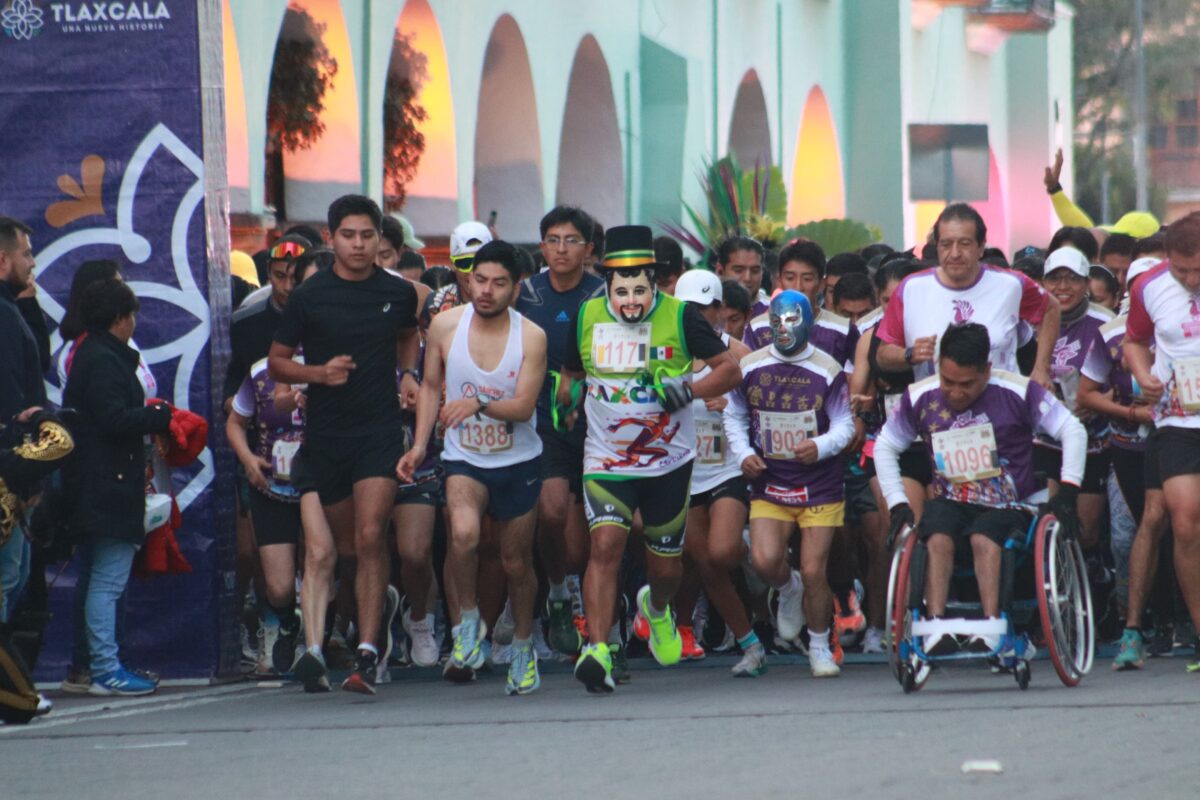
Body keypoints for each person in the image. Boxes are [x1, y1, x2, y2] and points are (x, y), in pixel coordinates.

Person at [558, 225, 740, 693]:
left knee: (665, 569)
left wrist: (690, 390)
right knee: (604, 548)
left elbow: (730, 370)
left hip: (668, 463)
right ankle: (598, 647)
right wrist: (566, 401)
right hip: (606, 459)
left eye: (641, 285)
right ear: (607, 283)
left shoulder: (681, 317)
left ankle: (655, 608)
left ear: (654, 281)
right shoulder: (587, 316)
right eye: (622, 287)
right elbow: (571, 373)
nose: (631, 298)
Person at [269, 195, 421, 695]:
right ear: (331, 238)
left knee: (373, 534)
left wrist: (405, 376)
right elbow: (277, 363)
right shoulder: (311, 296)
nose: (358, 245)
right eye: (349, 235)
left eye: (367, 235)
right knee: (351, 548)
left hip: (377, 431)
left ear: (381, 240)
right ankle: (376, 613)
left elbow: (406, 338)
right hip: (327, 435)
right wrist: (319, 374)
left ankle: (368, 651)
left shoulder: (398, 294)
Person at [874, 323, 1086, 655]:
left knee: (984, 535)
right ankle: (936, 626)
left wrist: (1069, 491)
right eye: (948, 382)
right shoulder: (920, 396)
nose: (956, 393)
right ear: (938, 367)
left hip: (1010, 505)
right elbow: (885, 445)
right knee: (936, 530)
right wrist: (897, 503)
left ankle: (991, 626)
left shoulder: (1019, 391)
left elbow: (1073, 430)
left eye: (967, 384)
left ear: (987, 371)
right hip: (951, 499)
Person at [398, 241, 547, 694]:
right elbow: (430, 388)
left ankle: (522, 647)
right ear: (468, 280)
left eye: (498, 283)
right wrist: (421, 445)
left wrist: (478, 403)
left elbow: (522, 408)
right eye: (479, 280)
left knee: (515, 561)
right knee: (462, 535)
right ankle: (466, 623)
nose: (486, 291)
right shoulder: (444, 326)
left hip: (518, 458)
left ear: (515, 289)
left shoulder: (532, 337)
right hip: (463, 456)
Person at [724, 290, 854, 677]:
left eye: (793, 320)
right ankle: (788, 588)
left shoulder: (828, 369)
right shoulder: (749, 366)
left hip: (819, 484)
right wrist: (743, 452)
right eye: (777, 321)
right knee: (764, 560)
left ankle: (818, 646)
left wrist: (820, 445)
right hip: (771, 480)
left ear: (809, 323)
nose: (784, 329)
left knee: (816, 569)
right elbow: (734, 414)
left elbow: (846, 423)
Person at [63, 279, 173, 696]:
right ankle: (105, 669)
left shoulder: (94, 355)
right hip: (108, 483)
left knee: (102, 579)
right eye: (132, 316)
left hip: (104, 481)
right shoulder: (102, 360)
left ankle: (103, 665)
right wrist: (158, 416)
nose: (133, 324)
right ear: (119, 318)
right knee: (107, 583)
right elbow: (111, 418)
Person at [515, 206, 604, 658]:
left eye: (572, 241)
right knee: (550, 513)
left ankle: (600, 617)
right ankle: (556, 593)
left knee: (585, 541)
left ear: (589, 249)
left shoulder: (605, 294)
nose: (562, 249)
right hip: (543, 422)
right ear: (541, 245)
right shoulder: (525, 294)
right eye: (553, 239)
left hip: (601, 424)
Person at [669, 269, 764, 676]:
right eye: (688, 309)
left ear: (721, 310)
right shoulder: (665, 350)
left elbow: (762, 409)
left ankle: (756, 557)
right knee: (704, 561)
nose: (698, 317)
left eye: (706, 308)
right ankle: (751, 645)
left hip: (726, 468)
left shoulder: (740, 354)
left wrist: (732, 411)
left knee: (723, 552)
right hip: (683, 469)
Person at [1121, 211, 1200, 672]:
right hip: (1176, 420)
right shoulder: (1148, 286)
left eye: (1199, 271)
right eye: (1182, 270)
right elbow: (1134, 341)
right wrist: (1143, 375)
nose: (1191, 279)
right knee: (1184, 521)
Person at [1077, 258, 1165, 670]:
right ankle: (1136, 624)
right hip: (1130, 447)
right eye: (1137, 287)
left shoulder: (1188, 322)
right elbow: (1085, 394)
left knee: (1181, 529)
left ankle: (1177, 619)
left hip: (1182, 439)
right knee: (1136, 533)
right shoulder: (1112, 334)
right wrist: (1131, 414)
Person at [873, 203, 1060, 391]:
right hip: (936, 413)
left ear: (981, 247)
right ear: (936, 247)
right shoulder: (910, 289)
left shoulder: (1011, 284)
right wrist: (909, 355)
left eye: (964, 244)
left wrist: (1041, 369)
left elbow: (1050, 309)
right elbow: (882, 355)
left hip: (1003, 412)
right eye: (946, 244)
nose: (955, 254)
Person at [225, 254, 306, 676]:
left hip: (319, 483)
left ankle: (321, 639)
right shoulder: (258, 370)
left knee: (322, 568)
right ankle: (288, 624)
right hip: (271, 484)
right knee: (277, 586)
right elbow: (235, 421)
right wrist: (247, 460)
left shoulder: (325, 365)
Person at [849, 258, 923, 652]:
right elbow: (856, 396)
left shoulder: (940, 328)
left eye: (902, 300)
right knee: (890, 528)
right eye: (885, 300)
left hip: (940, 440)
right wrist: (860, 406)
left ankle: (931, 614)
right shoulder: (871, 337)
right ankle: (882, 623)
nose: (894, 308)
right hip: (887, 442)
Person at [1031, 247, 1114, 577]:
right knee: (1049, 526)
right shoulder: (1029, 321)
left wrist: (1098, 398)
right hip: (1043, 437)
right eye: (1054, 278)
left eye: (1072, 279)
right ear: (1043, 282)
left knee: (1085, 530)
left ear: (1086, 283)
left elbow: (1124, 377)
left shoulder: (1106, 323)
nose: (1062, 286)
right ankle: (1052, 601)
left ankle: (1094, 583)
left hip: (1092, 436)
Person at [0, 217, 45, 625]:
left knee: (15, 575)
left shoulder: (12, 311)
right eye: (26, 253)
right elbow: (10, 400)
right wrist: (25, 475)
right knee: (7, 576)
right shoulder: (3, 317)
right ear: (2, 261)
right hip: (7, 475)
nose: (33, 262)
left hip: (11, 470)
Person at [742, 240, 858, 369]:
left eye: (807, 279)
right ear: (779, 281)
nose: (798, 287)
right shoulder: (758, 327)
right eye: (790, 278)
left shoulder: (842, 330)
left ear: (821, 284)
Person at [714, 236, 767, 305]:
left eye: (755, 271)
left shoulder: (771, 312)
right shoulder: (704, 308)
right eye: (738, 270)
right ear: (720, 271)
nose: (747, 278)